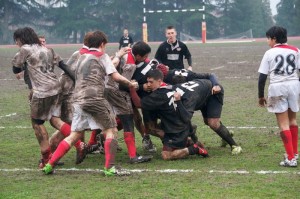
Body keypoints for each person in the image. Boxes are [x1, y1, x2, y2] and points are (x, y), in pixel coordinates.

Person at [42, 30, 139, 176]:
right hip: (95, 99)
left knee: (74, 135)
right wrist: (130, 84)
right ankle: (109, 168)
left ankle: (49, 165)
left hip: (78, 100)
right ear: (102, 44)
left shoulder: (82, 56)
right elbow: (115, 75)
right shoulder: (102, 56)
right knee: (111, 131)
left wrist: (117, 57)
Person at [12, 27, 79, 168]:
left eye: (16, 40)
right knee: (55, 120)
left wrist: (25, 65)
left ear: (21, 39)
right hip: (56, 88)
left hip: (42, 91)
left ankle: (47, 160)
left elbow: (15, 69)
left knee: (37, 123)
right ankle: (80, 144)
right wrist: (77, 80)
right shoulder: (47, 49)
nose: (16, 43)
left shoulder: (25, 49)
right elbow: (64, 66)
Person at [105, 41, 153, 162]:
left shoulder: (126, 51)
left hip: (105, 87)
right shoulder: (130, 64)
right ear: (138, 56)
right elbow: (124, 85)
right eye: (145, 56)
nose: (146, 59)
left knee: (112, 119)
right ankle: (133, 156)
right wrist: (138, 86)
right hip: (116, 91)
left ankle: (98, 140)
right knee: (128, 120)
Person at [258, 26, 299, 167]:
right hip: (294, 85)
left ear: (274, 39)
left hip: (277, 87)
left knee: (283, 124)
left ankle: (290, 158)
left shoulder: (269, 53)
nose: (267, 41)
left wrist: (260, 96)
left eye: (268, 38)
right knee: (293, 120)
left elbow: (262, 77)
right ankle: (294, 153)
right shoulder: (296, 51)